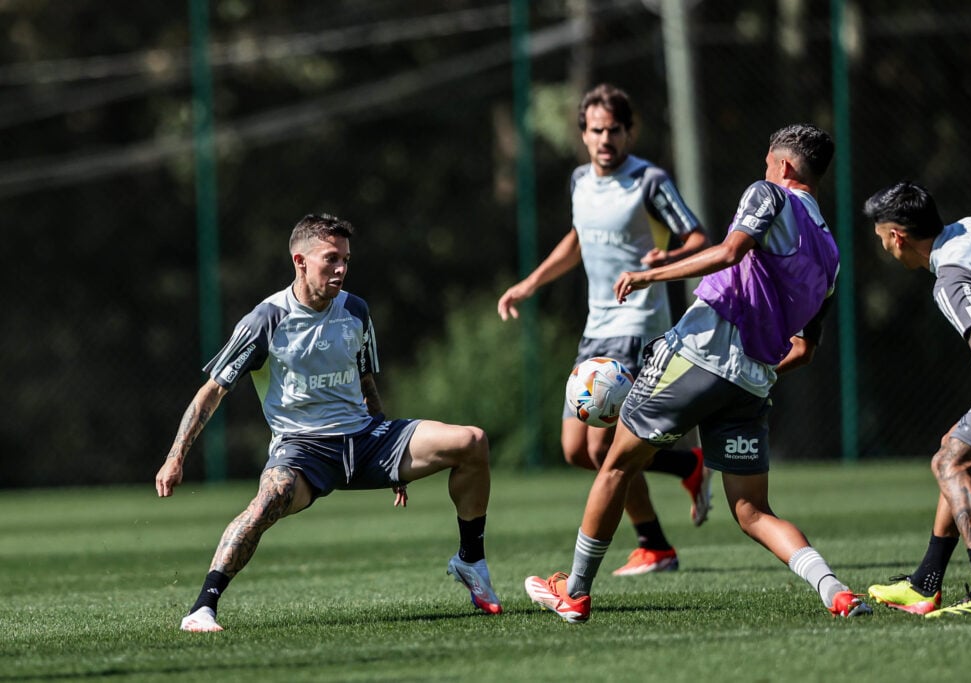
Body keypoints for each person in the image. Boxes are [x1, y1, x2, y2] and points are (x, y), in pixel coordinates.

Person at [524, 123, 872, 623]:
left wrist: (649, 274)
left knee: (617, 465)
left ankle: (574, 591)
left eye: (768, 161)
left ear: (785, 167)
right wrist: (750, 371)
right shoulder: (831, 254)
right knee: (753, 511)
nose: (765, 169)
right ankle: (835, 590)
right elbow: (805, 351)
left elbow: (730, 251)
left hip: (698, 353)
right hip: (753, 383)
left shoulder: (768, 194)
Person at [156, 214, 502, 632]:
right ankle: (202, 607)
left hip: (364, 438)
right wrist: (175, 457)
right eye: (330, 259)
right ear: (300, 261)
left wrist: (394, 458)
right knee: (269, 499)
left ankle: (470, 561)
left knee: (472, 441)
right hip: (303, 448)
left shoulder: (355, 310)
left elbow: (366, 381)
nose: (341, 269)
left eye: (346, 260)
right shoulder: (265, 321)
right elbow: (212, 391)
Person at [497, 83, 712, 576]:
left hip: (638, 325)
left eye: (615, 130)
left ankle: (654, 546)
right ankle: (687, 466)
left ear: (629, 131)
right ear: (583, 134)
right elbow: (578, 238)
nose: (605, 139)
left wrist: (668, 257)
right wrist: (529, 283)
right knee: (575, 450)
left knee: (603, 446)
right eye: (596, 131)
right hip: (597, 327)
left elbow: (699, 236)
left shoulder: (649, 181)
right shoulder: (579, 181)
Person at [863, 182, 971, 618]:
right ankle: (925, 583)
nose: (882, 245)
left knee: (948, 464)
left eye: (880, 237)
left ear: (897, 236)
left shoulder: (951, 277)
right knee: (953, 448)